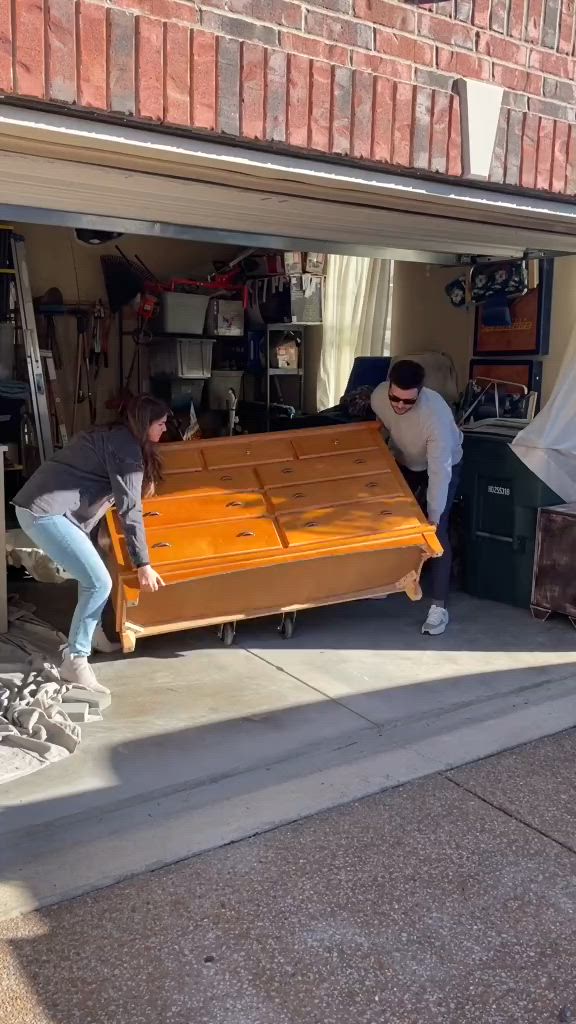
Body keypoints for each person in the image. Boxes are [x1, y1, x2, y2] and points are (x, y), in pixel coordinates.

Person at [13, 395, 169, 691]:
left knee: (93, 575)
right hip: (46, 513)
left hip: (44, 508)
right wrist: (143, 563)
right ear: (145, 424)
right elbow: (130, 510)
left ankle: (93, 634)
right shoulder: (126, 450)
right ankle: (75, 660)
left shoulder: (112, 435)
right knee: (99, 583)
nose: (165, 430)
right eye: (160, 424)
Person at [371, 360, 463, 636]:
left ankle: (438, 607)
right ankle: (391, 580)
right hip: (404, 459)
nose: (399, 405)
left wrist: (433, 517)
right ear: (388, 387)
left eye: (407, 402)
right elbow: (381, 426)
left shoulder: (435, 418)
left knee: (437, 533)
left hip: (441, 465)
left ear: (420, 393)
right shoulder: (378, 397)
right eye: (395, 398)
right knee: (393, 519)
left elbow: (439, 473)